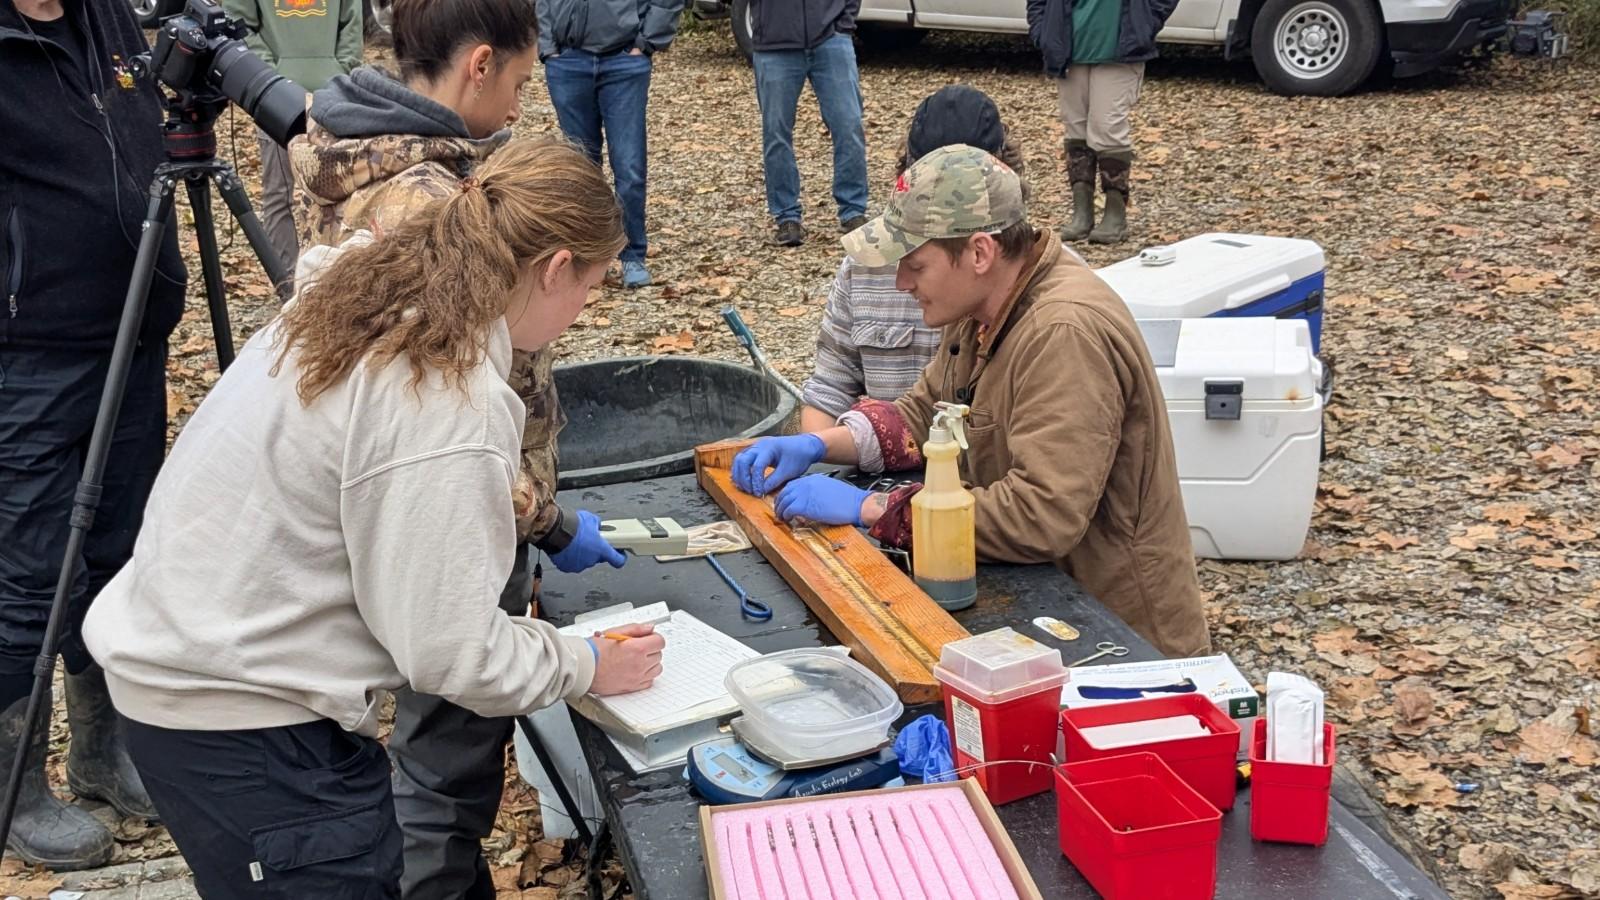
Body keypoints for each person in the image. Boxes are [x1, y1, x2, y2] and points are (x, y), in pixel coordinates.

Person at [83, 137, 667, 899]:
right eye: (591, 283)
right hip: (239, 718)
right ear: (556, 267)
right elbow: (449, 652)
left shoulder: (371, 292)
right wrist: (586, 664)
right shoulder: (444, 390)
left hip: (192, 671)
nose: (586, 307)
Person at [289, 3, 626, 895]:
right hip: (461, 503)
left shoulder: (336, 138)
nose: (519, 107)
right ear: (477, 65)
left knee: (430, 732)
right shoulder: (437, 206)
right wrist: (547, 520)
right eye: (517, 83)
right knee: (445, 751)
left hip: (387, 501)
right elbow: (441, 418)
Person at [733, 145, 1210, 658]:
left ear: (980, 252)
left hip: (1119, 643)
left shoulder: (1063, 333)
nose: (901, 283)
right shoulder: (982, 304)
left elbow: (1039, 515)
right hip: (1051, 609)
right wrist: (817, 443)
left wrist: (872, 508)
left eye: (916, 265)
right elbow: (922, 416)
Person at [0, 0, 185, 868]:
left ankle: (101, 753)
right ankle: (15, 786)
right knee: (28, 569)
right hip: (28, 353)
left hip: (131, 333)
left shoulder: (103, 15)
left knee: (118, 550)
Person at [799, 84, 1029, 433]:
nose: (902, 282)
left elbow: (1042, 480)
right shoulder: (866, 264)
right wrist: (815, 454)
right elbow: (830, 390)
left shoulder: (1047, 303)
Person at [538, 0, 685, 289]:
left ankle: (632, 254)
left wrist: (645, 43)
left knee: (629, 166)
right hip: (568, 61)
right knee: (580, 169)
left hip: (623, 61)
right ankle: (586, 257)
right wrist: (548, 47)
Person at [224, 0, 363, 276]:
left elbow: (352, 21)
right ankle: (287, 285)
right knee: (280, 195)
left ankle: (331, 281)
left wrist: (341, 70)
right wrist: (270, 75)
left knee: (341, 192)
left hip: (333, 96)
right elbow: (238, 23)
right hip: (276, 100)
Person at [1027, 0, 1179, 243]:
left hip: (1120, 50)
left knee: (1108, 127)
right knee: (1075, 129)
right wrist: (1043, 32)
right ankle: (1082, 214)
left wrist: (1147, 23)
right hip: (1068, 48)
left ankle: (1115, 214)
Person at [749, 0, 868, 247]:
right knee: (776, 133)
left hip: (831, 39)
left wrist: (844, 22)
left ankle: (853, 210)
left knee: (849, 125)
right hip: (774, 44)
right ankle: (787, 216)